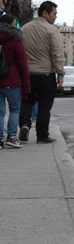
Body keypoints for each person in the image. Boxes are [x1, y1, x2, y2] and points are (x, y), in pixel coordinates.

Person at [18, 1, 64, 144]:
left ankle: (24, 124)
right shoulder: (51, 30)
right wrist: (60, 73)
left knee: (26, 101)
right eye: (54, 14)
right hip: (45, 75)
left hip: (27, 74)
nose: (55, 17)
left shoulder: (24, 29)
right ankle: (42, 135)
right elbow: (57, 54)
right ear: (45, 13)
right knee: (45, 107)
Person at [0, 12, 30, 149]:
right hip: (12, 81)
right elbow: (23, 65)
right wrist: (26, 85)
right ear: (10, 24)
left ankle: (0, 139)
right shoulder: (15, 40)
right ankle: (12, 137)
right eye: (15, 23)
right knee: (15, 109)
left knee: (0, 112)